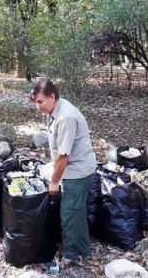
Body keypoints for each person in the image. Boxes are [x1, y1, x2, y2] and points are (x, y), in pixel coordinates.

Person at [29, 77, 97, 265]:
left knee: (69, 214)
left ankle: (70, 255)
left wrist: (54, 181)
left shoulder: (65, 116)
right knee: (77, 211)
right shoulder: (57, 109)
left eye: (40, 101)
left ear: (52, 96)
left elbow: (63, 156)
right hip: (76, 167)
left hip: (77, 170)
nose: (38, 107)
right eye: (35, 103)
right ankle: (83, 249)